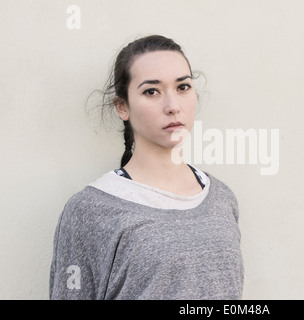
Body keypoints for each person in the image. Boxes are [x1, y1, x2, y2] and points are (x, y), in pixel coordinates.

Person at [49, 35, 244, 300]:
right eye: (151, 91)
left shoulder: (222, 198)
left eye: (183, 87)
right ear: (123, 107)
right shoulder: (90, 210)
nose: (173, 106)